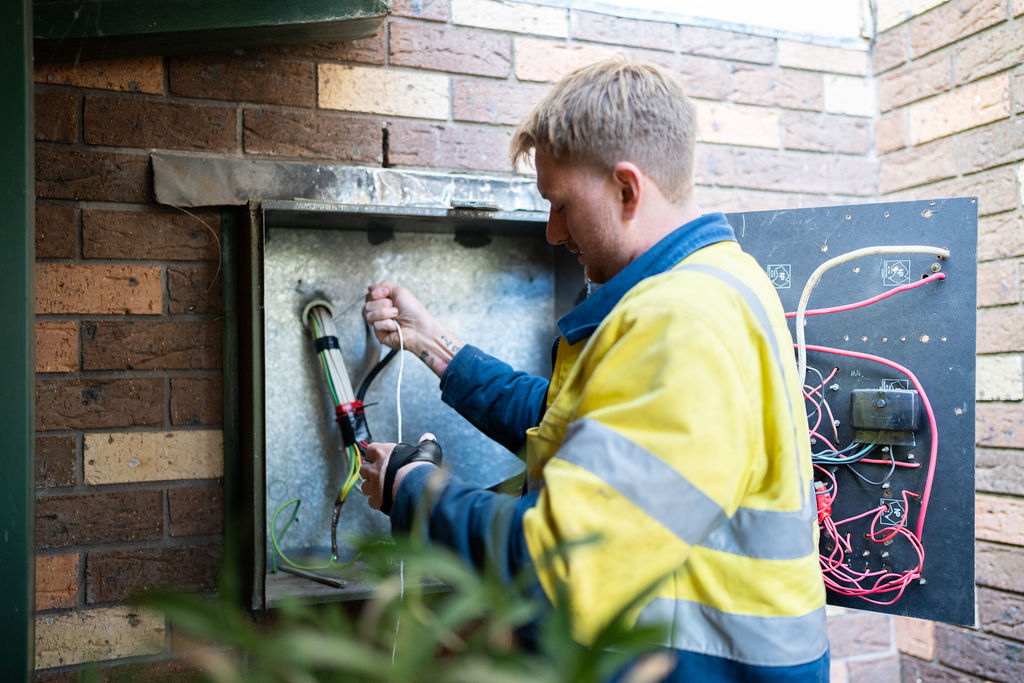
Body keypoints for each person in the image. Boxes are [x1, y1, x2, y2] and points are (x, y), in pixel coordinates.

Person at [360, 57, 829, 681]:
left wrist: (410, 489)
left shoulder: (681, 319)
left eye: (560, 204)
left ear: (627, 189)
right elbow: (575, 423)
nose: (553, 232)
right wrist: (431, 343)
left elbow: (565, 564)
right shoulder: (711, 283)